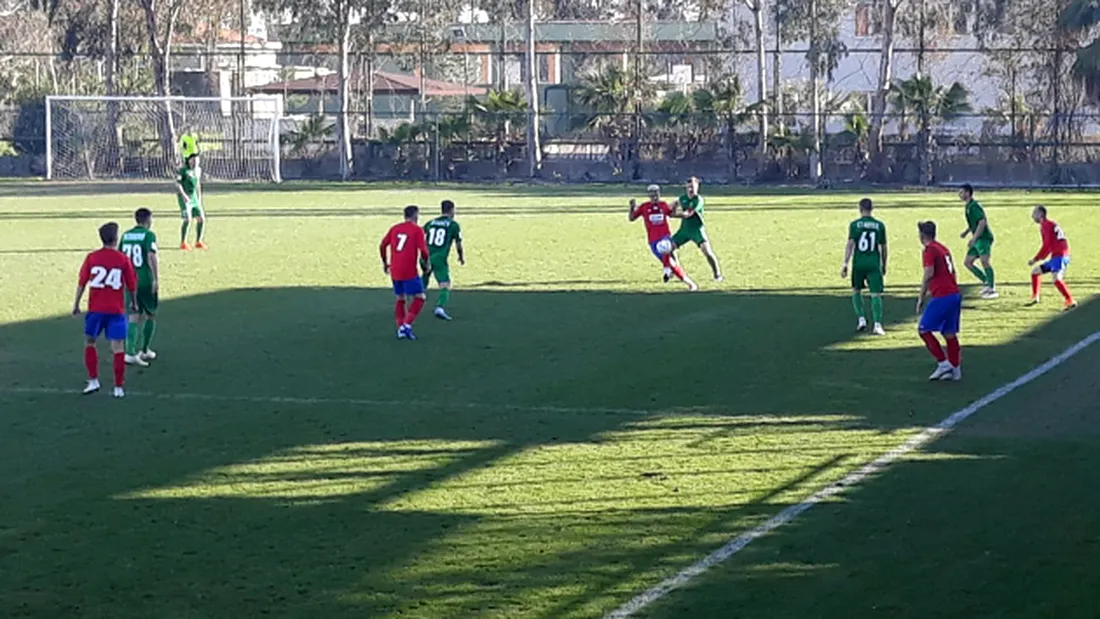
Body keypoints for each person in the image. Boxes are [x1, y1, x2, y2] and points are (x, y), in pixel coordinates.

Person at [73, 222, 138, 398]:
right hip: (116, 310)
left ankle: (93, 380)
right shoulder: (123, 259)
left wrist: (76, 304)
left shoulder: (92, 258)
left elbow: (82, 282)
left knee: (90, 342)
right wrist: (134, 303)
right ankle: (118, 387)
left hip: (96, 310)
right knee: (118, 347)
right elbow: (131, 285)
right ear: (116, 239)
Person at [916, 221, 963, 382]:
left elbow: (929, 273)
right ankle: (955, 370)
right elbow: (953, 271)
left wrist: (921, 296)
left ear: (922, 236)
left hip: (943, 296)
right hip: (954, 294)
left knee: (923, 329)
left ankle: (943, 363)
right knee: (949, 333)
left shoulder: (929, 250)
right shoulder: (943, 248)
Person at [630, 184, 698, 291]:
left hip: (665, 237)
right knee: (670, 260)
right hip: (653, 241)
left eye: (656, 194)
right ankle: (671, 270)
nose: (654, 197)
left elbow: (671, 213)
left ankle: (689, 283)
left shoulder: (663, 205)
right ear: (649, 195)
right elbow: (632, 218)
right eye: (652, 195)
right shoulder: (644, 207)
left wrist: (676, 207)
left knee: (667, 250)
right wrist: (631, 208)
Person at [380, 205, 430, 340]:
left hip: (395, 269)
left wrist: (385, 263)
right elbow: (424, 251)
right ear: (416, 216)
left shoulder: (395, 228)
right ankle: (406, 325)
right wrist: (426, 264)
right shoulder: (417, 230)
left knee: (400, 298)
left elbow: (383, 245)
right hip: (409, 270)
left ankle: (400, 328)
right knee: (420, 297)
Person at [841, 198, 888, 335]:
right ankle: (877, 324)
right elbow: (884, 248)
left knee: (856, 290)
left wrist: (845, 263)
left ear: (860, 208)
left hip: (858, 263)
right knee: (875, 294)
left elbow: (850, 244)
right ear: (872, 208)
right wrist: (884, 264)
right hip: (873, 263)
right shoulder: (879, 225)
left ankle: (861, 319)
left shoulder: (855, 225)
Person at [120, 208, 159, 366]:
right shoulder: (149, 235)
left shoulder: (126, 235)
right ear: (148, 220)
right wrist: (155, 279)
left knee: (133, 316)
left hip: (129, 281)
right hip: (144, 280)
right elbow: (151, 256)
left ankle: (130, 352)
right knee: (150, 314)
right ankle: (144, 350)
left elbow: (121, 257)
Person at [671, 176, 723, 281]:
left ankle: (717, 274)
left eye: (693, 187)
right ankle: (676, 270)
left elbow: (687, 214)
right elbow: (673, 204)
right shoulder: (682, 198)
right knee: (668, 248)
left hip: (697, 230)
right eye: (689, 187)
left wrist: (672, 215)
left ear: (697, 188)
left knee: (707, 252)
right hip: (684, 230)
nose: (691, 189)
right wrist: (671, 208)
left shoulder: (698, 200)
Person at [421, 199, 465, 321]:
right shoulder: (453, 225)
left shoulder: (431, 222)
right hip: (439, 258)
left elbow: (419, 234)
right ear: (451, 210)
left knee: (425, 277)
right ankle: (439, 308)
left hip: (425, 256)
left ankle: (415, 303)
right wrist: (461, 257)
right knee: (445, 284)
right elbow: (458, 244)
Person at [1027, 205, 1077, 310]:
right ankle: (1035, 297)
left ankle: (1070, 300)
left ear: (1041, 214)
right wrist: (1041, 257)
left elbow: (1047, 245)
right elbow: (1048, 246)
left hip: (1059, 255)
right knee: (1035, 272)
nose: (1032, 216)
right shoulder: (1048, 225)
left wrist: (1035, 259)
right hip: (1057, 256)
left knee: (1056, 279)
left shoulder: (1046, 225)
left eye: (1034, 213)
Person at [958, 184, 996, 298]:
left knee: (985, 261)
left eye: (961, 192)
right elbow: (974, 222)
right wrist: (966, 232)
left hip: (983, 238)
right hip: (977, 238)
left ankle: (992, 288)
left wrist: (973, 239)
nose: (959, 195)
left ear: (968, 193)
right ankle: (986, 281)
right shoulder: (968, 206)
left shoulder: (975, 206)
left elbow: (982, 222)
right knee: (968, 262)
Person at [177, 152, 206, 250]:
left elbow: (197, 184)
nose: (195, 162)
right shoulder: (183, 170)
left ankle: (198, 241)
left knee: (201, 218)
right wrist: (184, 196)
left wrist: (199, 198)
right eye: (193, 160)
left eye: (197, 161)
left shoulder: (198, 170)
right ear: (189, 161)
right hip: (185, 197)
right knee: (188, 219)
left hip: (194, 197)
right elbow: (178, 184)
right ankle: (183, 242)